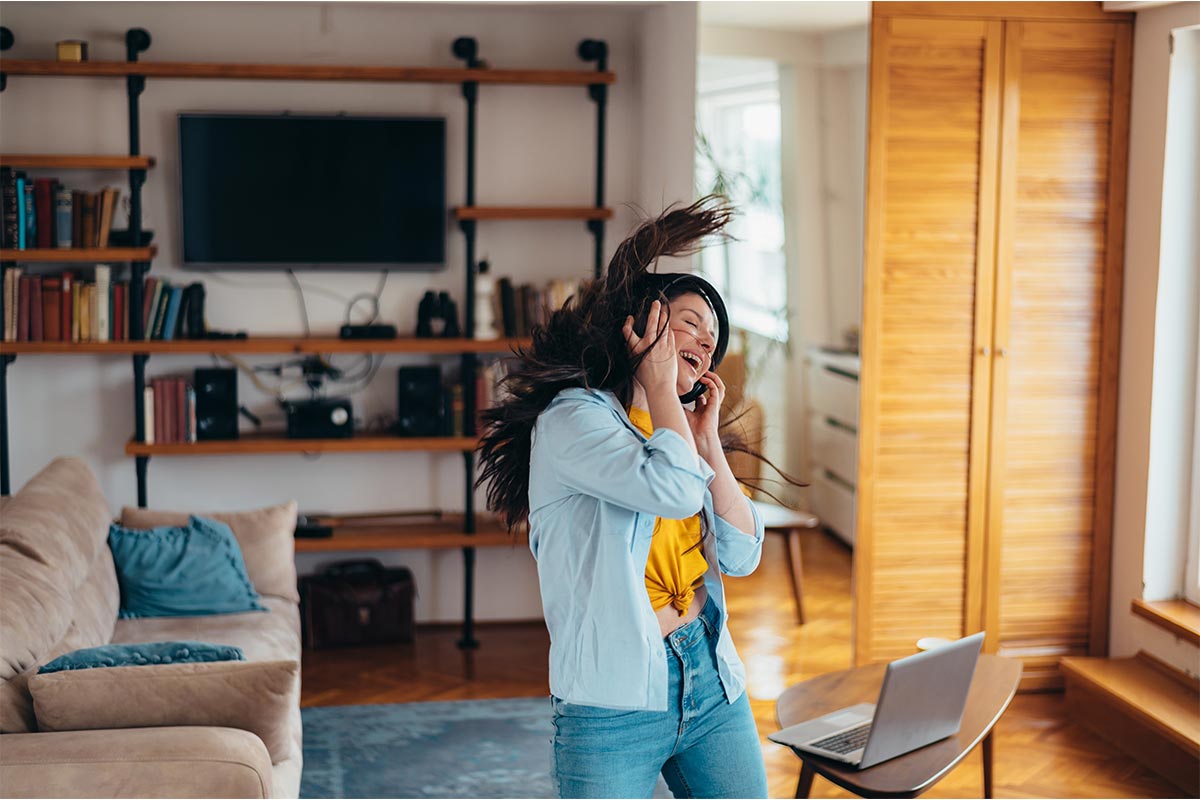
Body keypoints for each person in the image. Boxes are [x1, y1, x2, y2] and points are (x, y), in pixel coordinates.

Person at [477, 198, 779, 799]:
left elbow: (743, 552)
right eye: (689, 322)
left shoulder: (679, 439)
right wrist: (665, 392)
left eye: (712, 337)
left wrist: (706, 439)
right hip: (612, 703)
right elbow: (668, 489)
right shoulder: (574, 420)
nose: (704, 340)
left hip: (710, 676)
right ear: (642, 325)